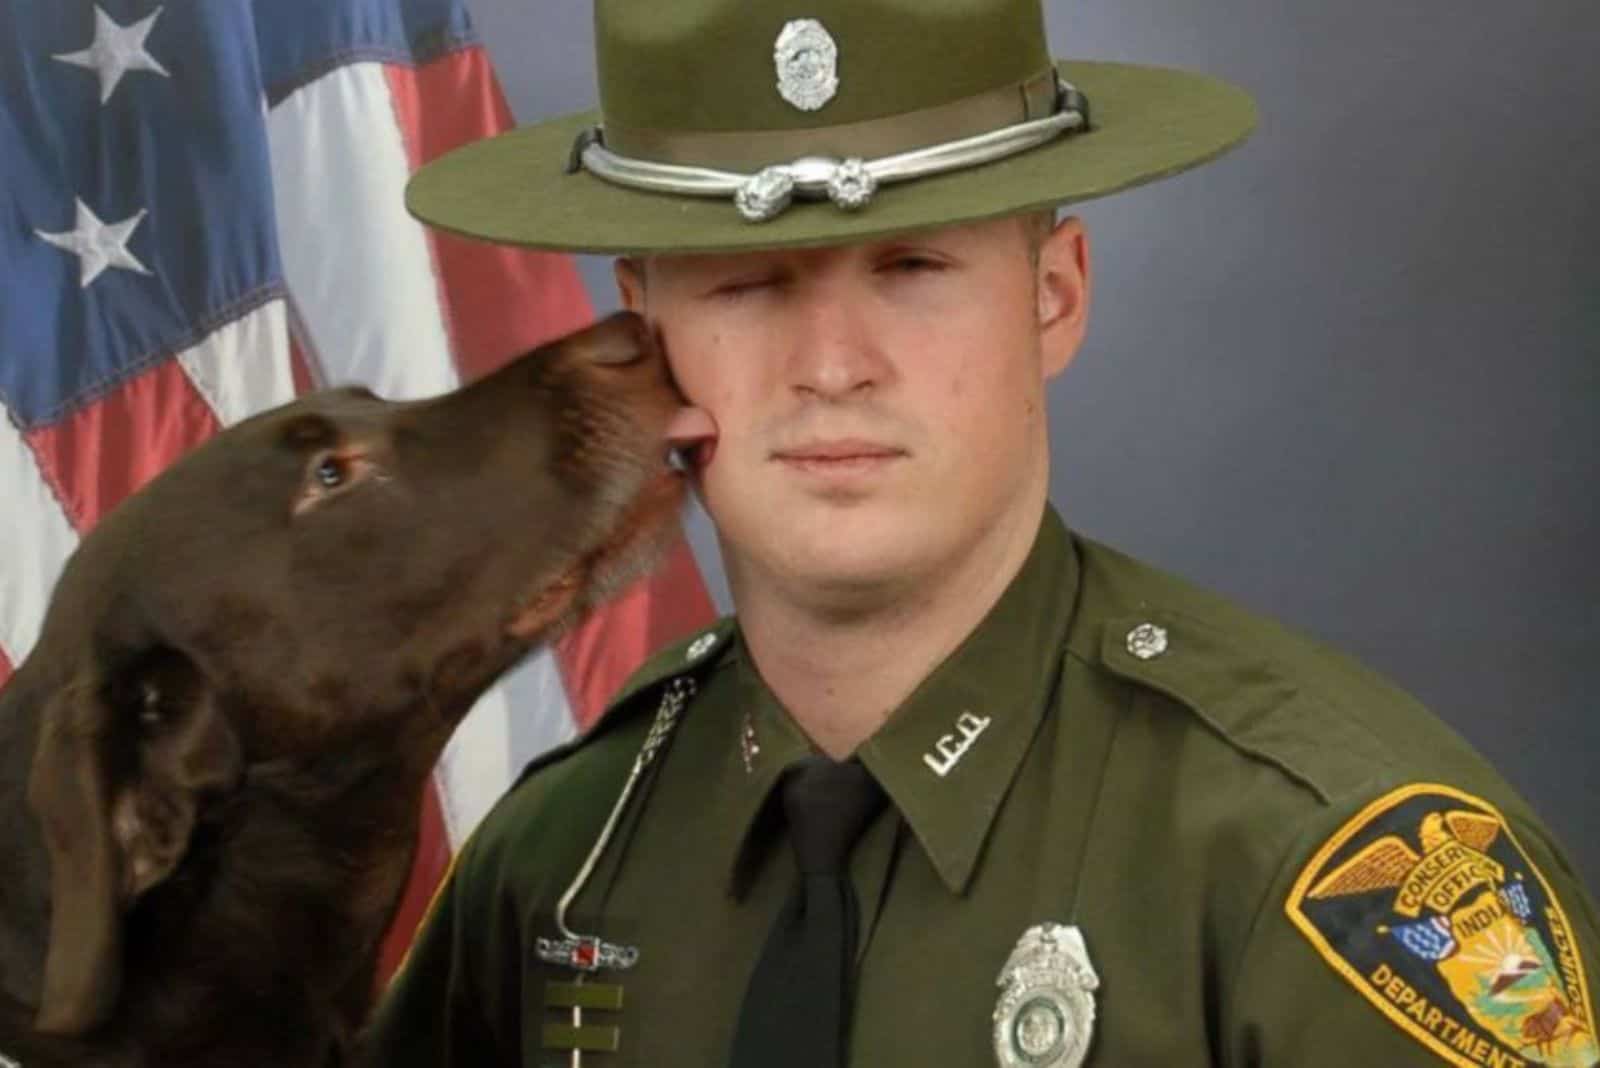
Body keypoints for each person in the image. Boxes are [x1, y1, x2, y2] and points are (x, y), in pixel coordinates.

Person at [361, 1, 1600, 1065]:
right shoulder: (561, 863)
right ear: (643, 326)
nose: (832, 367)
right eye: (746, 284)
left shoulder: (1325, 875)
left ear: (1053, 296)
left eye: (911, 269)